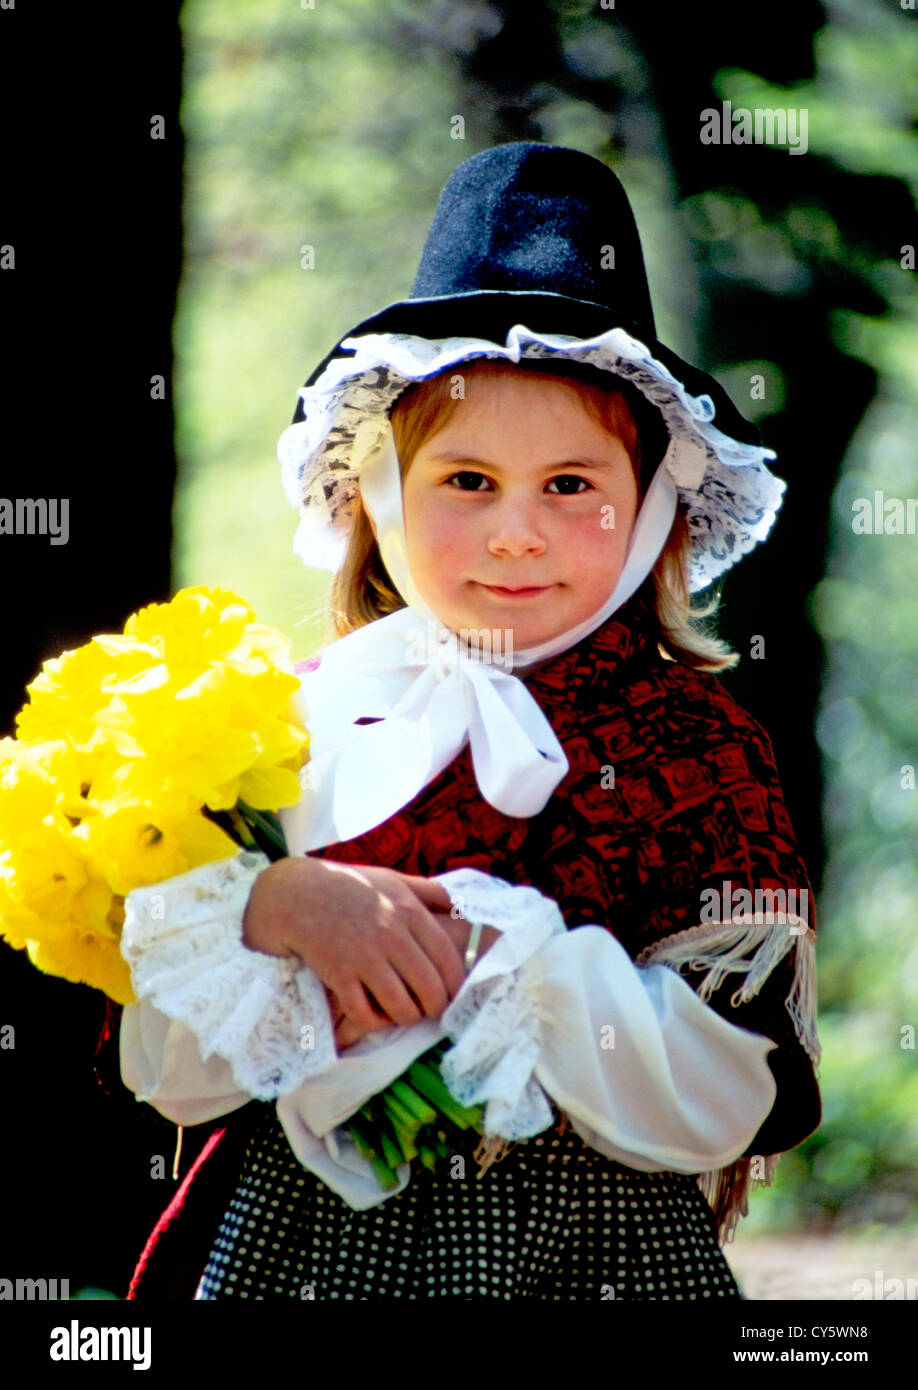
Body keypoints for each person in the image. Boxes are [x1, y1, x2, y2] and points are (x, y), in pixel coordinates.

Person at [118, 142, 821, 1301]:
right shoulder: (279, 724)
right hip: (305, 1251)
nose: (515, 533)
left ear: (650, 513)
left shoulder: (697, 748)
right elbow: (169, 1075)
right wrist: (269, 909)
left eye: (571, 486)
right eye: (466, 481)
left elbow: (740, 1094)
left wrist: (516, 969)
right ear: (380, 499)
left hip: (594, 1258)